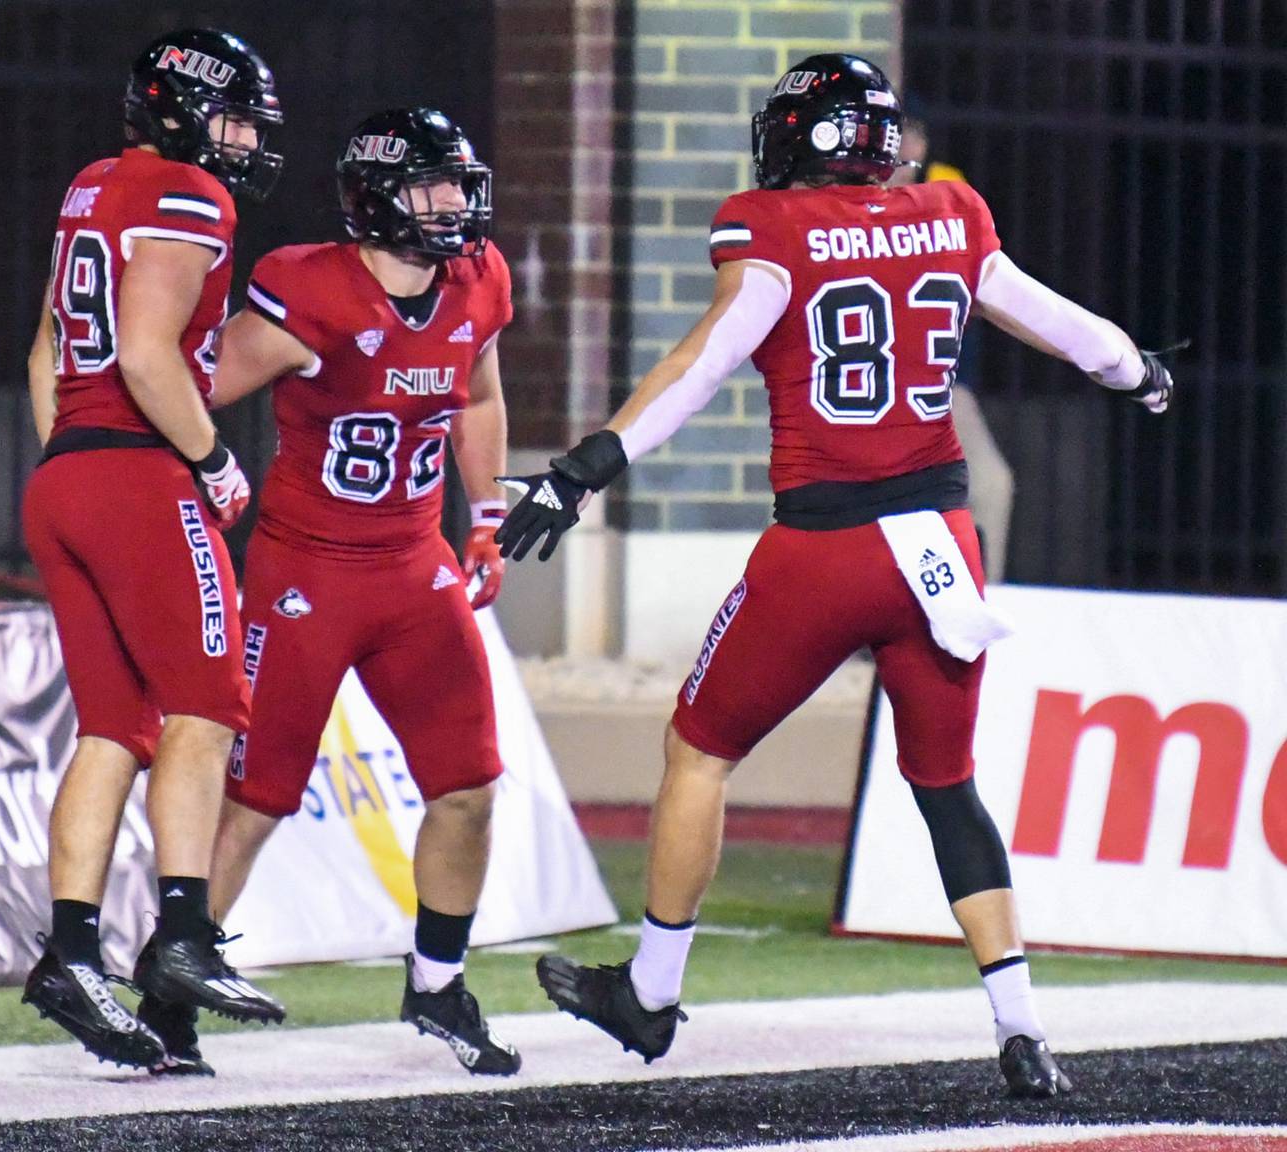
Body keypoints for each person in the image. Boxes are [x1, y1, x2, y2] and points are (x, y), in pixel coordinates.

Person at [496, 54, 1173, 1099]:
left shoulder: (769, 228)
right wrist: (1138, 368)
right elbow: (1057, 322)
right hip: (941, 546)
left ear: (804, 140)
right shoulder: (950, 211)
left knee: (699, 749)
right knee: (947, 787)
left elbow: (704, 361)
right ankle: (1021, 1027)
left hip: (826, 548)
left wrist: (587, 467)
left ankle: (652, 993)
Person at [195, 107, 520, 1077]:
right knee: (255, 801)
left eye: (461, 185)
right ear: (380, 200)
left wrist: (490, 512)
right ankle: (176, 979)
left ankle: (435, 983)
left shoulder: (477, 280)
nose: (457, 206)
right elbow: (190, 389)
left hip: (414, 564)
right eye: (434, 188)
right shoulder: (313, 292)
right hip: (307, 572)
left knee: (468, 788)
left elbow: (483, 396)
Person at [21, 28, 287, 1072]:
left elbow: (50, 344)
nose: (242, 141)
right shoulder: (188, 194)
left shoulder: (93, 185)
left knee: (115, 727)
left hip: (70, 475)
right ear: (181, 110)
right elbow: (144, 351)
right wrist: (213, 459)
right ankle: (182, 936)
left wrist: (70, 459)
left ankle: (72, 953)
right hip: (136, 471)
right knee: (209, 706)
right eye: (230, 116)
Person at [889, 117, 1016, 584]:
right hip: (870, 385)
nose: (907, 146)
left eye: (913, 136)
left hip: (937, 383)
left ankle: (981, 604)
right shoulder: (847, 199)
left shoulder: (943, 189)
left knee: (989, 486)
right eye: (897, 135)